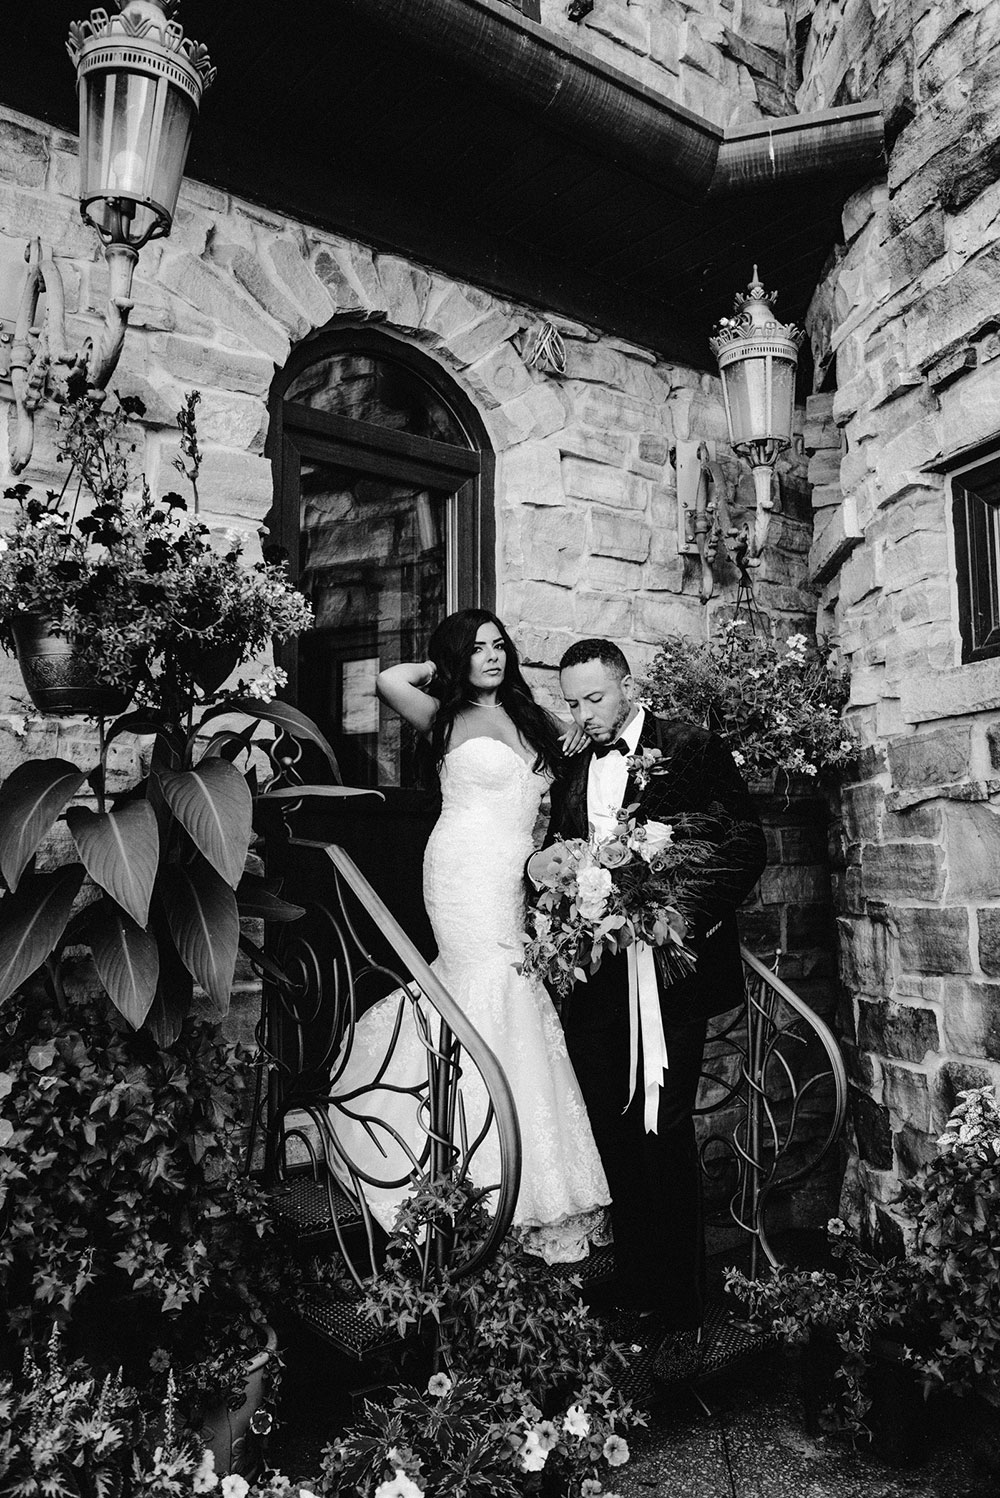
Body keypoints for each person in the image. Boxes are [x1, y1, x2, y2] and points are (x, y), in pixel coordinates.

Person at [328, 609, 610, 1263]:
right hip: (461, 871)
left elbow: (576, 765)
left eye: (499, 644)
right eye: (477, 648)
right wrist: (443, 663)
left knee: (515, 988)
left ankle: (524, 1169)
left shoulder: (536, 722)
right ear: (459, 658)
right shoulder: (445, 716)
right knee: (480, 983)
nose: (493, 655)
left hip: (514, 872)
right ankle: (468, 1165)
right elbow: (391, 679)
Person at [527, 638, 766, 1330]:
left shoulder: (689, 746)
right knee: (611, 1122)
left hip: (670, 975)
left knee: (664, 1124)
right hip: (600, 977)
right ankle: (634, 1279)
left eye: (594, 698)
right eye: (572, 702)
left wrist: (679, 914)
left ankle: (682, 1295)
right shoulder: (576, 760)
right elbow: (568, 847)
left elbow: (744, 843)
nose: (583, 713)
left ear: (628, 686)